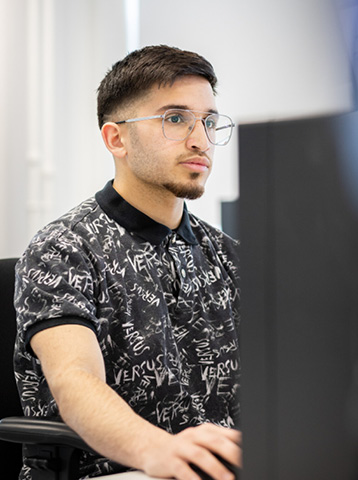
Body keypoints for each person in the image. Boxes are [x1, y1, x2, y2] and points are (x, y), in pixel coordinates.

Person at [13, 45, 241, 480]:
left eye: (209, 121)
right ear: (117, 138)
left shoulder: (228, 255)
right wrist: (158, 450)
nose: (200, 139)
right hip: (112, 472)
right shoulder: (63, 249)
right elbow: (75, 380)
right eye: (175, 119)